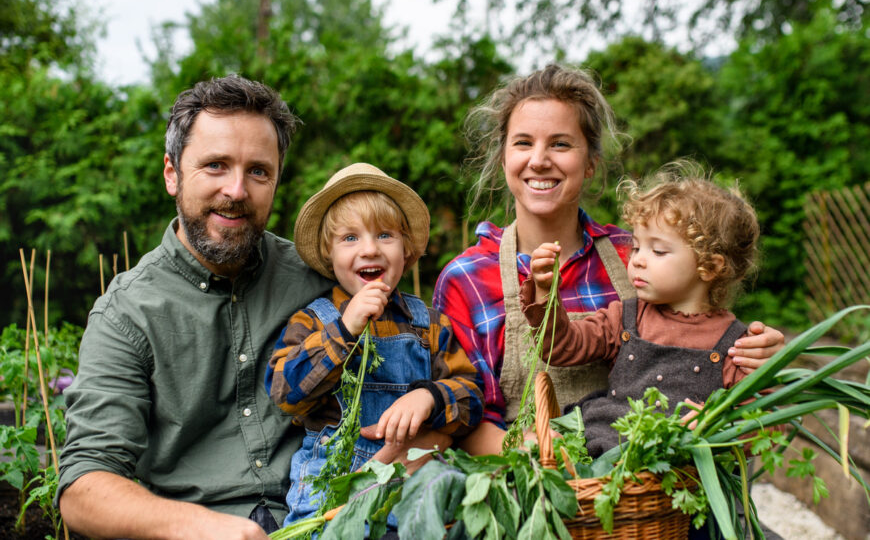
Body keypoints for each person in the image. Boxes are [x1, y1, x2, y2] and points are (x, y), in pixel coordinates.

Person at [432, 63, 786, 456]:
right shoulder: (467, 278)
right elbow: (463, 415)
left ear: (591, 164)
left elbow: (700, 329)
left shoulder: (634, 254)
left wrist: (759, 358)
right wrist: (544, 457)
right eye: (522, 142)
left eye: (561, 144)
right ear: (502, 158)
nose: (539, 159)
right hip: (528, 482)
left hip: (657, 495)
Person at [57, 75, 335, 539]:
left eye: (258, 171)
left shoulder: (319, 279)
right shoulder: (127, 315)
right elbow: (84, 487)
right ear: (172, 173)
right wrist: (202, 527)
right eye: (215, 166)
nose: (237, 190)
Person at [265, 162, 484, 526]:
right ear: (329, 254)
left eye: (385, 235)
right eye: (350, 238)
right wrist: (346, 329)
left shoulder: (427, 324)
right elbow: (285, 391)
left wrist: (430, 396)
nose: (369, 249)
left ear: (406, 248)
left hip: (411, 490)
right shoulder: (313, 320)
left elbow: (472, 398)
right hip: (330, 498)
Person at [522, 163, 760, 456]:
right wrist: (545, 291)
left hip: (679, 478)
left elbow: (765, 424)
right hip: (604, 452)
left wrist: (716, 425)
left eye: (657, 251)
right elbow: (560, 348)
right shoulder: (625, 317)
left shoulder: (736, 345)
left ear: (709, 266)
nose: (637, 260)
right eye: (636, 247)